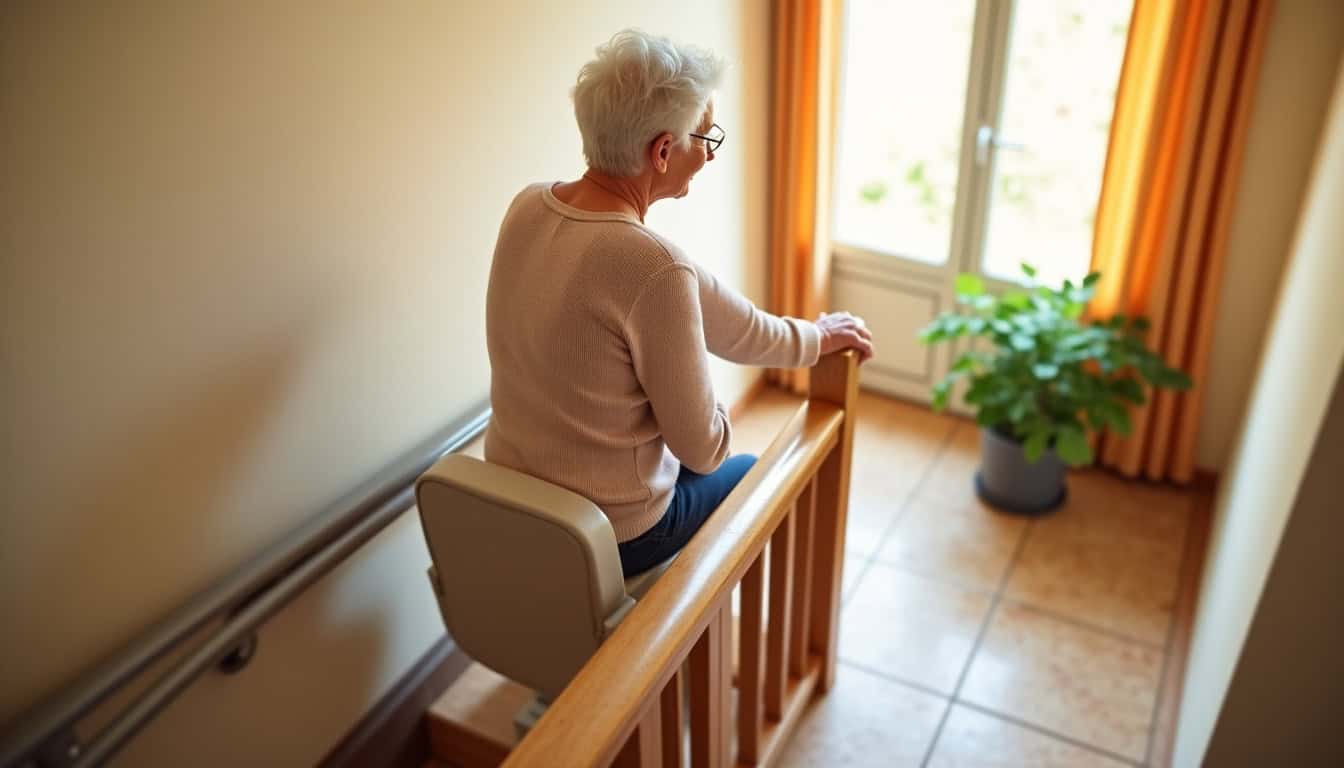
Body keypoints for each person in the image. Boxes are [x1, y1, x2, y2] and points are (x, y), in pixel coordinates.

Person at [484, 29, 873, 577]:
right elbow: (704, 450)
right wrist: (693, 390)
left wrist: (815, 338)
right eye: (706, 137)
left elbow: (731, 320)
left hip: (514, 511)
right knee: (749, 470)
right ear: (663, 151)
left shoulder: (528, 206)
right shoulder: (652, 266)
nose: (709, 155)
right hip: (612, 536)